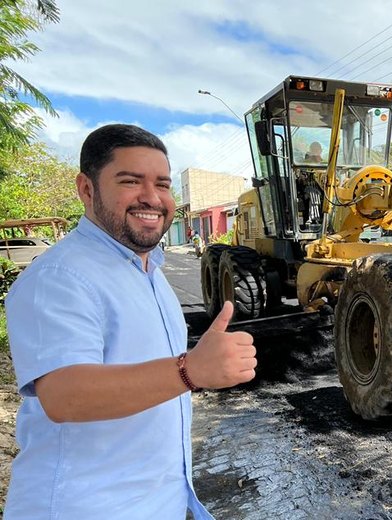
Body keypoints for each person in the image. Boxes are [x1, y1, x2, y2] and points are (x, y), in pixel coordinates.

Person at [4, 124, 257, 519]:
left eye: (163, 184)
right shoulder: (60, 277)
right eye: (130, 181)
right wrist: (191, 370)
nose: (152, 198)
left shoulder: (150, 273)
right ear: (87, 189)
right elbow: (65, 394)